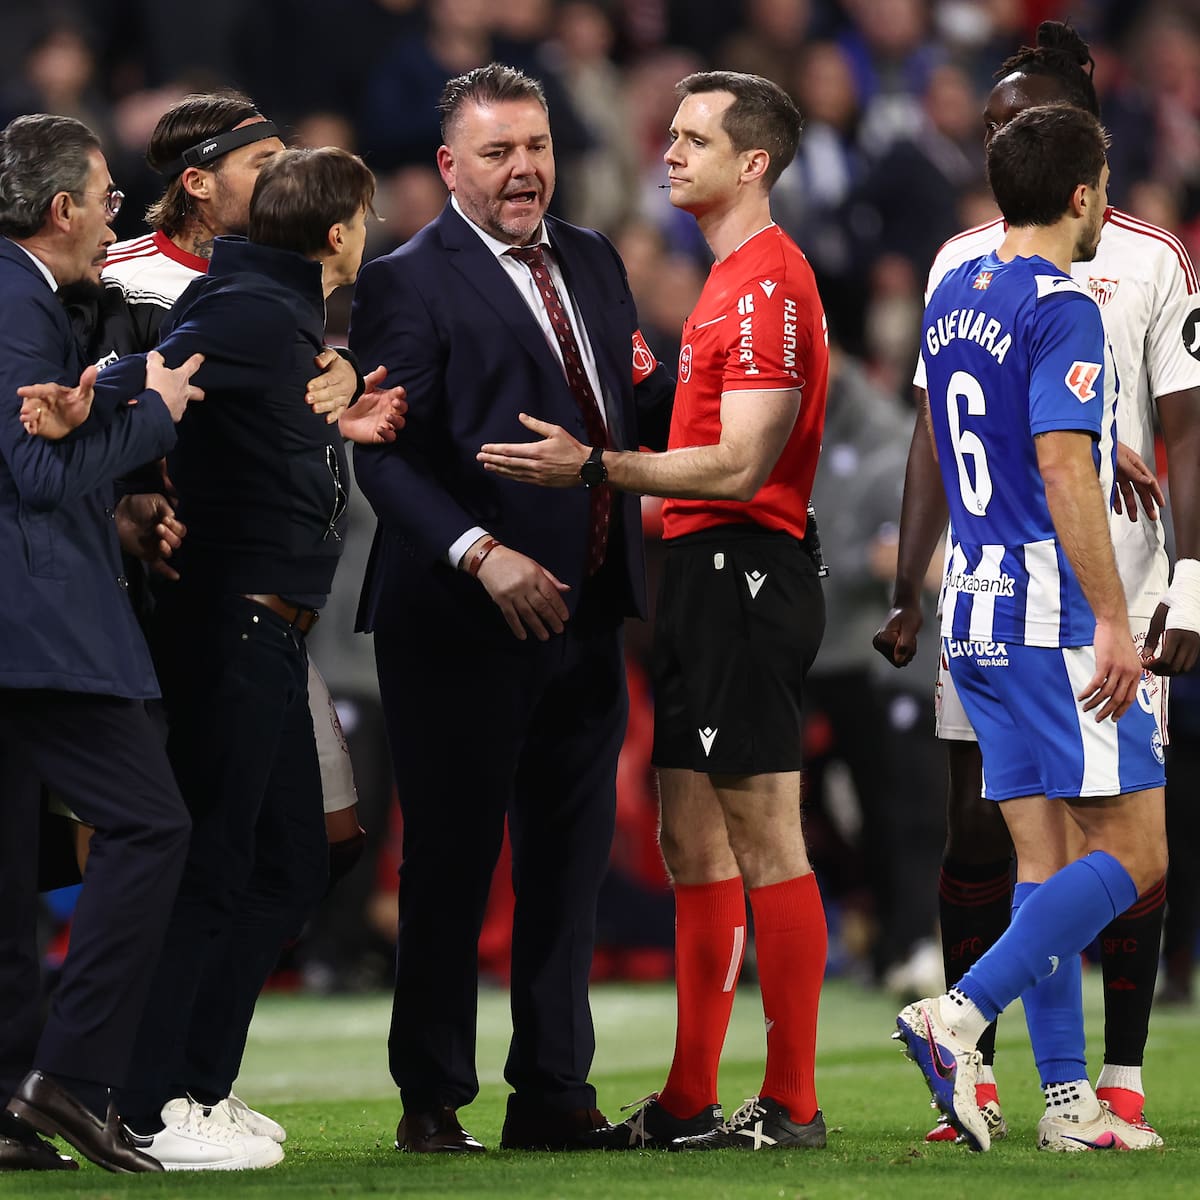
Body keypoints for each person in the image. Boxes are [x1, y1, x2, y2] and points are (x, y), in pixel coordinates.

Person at [479, 70, 830, 1153]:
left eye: (693, 138)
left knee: (766, 833)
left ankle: (792, 1103)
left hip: (747, 570)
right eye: (670, 134)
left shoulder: (769, 284)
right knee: (691, 842)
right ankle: (687, 1099)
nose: (669, 152)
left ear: (753, 162)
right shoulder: (724, 279)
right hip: (696, 574)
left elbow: (743, 462)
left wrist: (596, 466)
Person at [45, 146, 402, 1171]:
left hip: (268, 629)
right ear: (339, 234)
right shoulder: (252, 309)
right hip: (235, 622)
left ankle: (196, 1082)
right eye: (367, 219)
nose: (368, 235)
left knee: (289, 860)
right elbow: (157, 360)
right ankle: (151, 1104)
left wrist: (339, 398)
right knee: (215, 863)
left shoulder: (278, 314)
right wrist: (92, 392)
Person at [875, 21, 1200, 1144]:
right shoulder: (1067, 304)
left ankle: (1067, 1102)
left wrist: (1088, 439)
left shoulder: (960, 289)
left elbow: (979, 427)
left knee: (1041, 856)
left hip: (971, 600)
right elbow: (1060, 463)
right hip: (1054, 609)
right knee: (1134, 853)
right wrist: (1118, 616)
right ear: (1081, 191)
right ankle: (958, 1013)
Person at [348, 62, 675, 1154]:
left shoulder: (592, 258)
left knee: (568, 866)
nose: (526, 168)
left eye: (535, 146)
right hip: (458, 619)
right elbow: (383, 464)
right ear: (450, 167)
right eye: (498, 151)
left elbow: (637, 399)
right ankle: (431, 1102)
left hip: (586, 615)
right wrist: (482, 552)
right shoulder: (407, 281)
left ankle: (553, 1095)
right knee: (450, 860)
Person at [0, 112, 203, 1173]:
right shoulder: (16, 297)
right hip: (33, 629)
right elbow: (32, 475)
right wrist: (155, 411)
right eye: (107, 198)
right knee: (151, 825)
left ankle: (4, 1098)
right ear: (62, 208)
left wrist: (112, 504)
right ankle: (71, 1081)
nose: (114, 218)